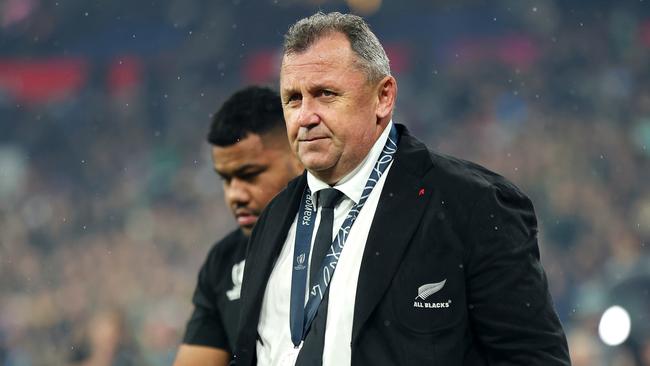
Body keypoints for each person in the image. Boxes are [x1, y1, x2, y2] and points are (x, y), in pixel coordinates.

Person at [234, 12, 571, 366]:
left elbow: (533, 360)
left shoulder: (471, 205)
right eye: (293, 99)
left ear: (383, 97)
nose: (305, 116)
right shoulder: (273, 217)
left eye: (325, 94)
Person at [174, 86, 303, 366]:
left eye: (250, 174)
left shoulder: (347, 236)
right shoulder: (222, 262)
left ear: (299, 159)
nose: (235, 194)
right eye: (226, 179)